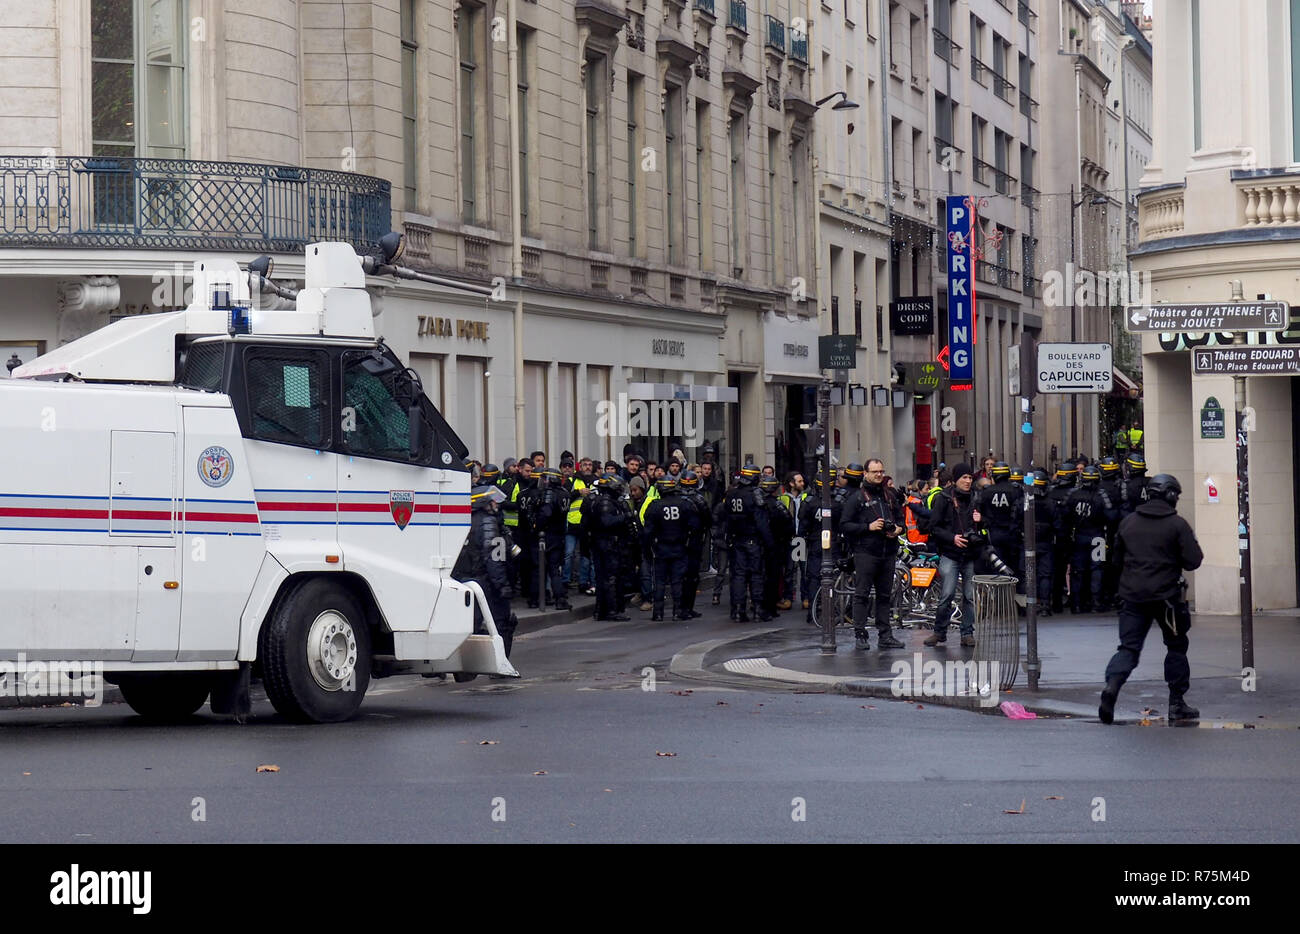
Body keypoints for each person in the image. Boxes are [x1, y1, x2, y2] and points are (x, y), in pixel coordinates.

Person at [1100, 474, 1203, 724]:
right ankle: (1177, 703)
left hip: (1132, 595)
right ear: (1170, 495)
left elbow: (1115, 560)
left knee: (1128, 648)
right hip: (1167, 596)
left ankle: (1112, 686)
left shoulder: (1128, 522)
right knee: (1176, 646)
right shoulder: (1177, 525)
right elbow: (1193, 560)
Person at [839, 458, 906, 650]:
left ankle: (885, 635)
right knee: (862, 594)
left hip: (888, 551)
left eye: (881, 471)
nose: (879, 475)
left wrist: (898, 530)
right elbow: (844, 525)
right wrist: (868, 527)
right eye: (875, 471)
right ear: (866, 474)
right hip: (865, 552)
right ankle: (860, 635)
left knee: (885, 595)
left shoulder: (890, 495)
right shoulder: (857, 498)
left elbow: (901, 519)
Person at [452, 485, 517, 656]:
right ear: (484, 503)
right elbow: (493, 557)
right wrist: (502, 585)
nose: (497, 504)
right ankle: (501, 663)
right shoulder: (488, 522)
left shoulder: (466, 520)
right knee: (502, 622)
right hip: (486, 580)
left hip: (466, 579)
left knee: (470, 622)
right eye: (493, 501)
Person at [924, 463, 981, 647]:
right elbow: (933, 527)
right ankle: (939, 631)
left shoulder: (976, 497)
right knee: (946, 595)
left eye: (970, 478)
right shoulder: (944, 498)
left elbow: (988, 525)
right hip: (950, 553)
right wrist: (952, 538)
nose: (968, 481)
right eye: (964, 477)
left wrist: (982, 521)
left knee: (969, 596)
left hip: (970, 554)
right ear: (956, 479)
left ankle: (967, 633)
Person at [642, 477, 699, 620]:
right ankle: (678, 611)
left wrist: (647, 549)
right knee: (677, 580)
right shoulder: (684, 504)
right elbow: (695, 526)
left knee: (659, 581)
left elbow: (647, 531)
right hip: (679, 547)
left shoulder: (655, 506)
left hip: (660, 548)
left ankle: (658, 613)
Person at [1064, 465, 1117, 614]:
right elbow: (1111, 516)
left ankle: (1077, 603)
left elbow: (1064, 514)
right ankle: (1096, 602)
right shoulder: (1102, 495)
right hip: (1098, 536)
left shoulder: (1073, 494)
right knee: (1097, 569)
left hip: (1079, 535)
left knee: (1077, 570)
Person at [724, 464, 772, 622]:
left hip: (737, 539)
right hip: (753, 540)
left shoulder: (731, 494)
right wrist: (769, 542)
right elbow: (761, 522)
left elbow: (727, 518)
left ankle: (738, 610)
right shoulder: (755, 494)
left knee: (739, 576)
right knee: (756, 575)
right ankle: (758, 610)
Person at [585, 476, 632, 621]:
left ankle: (601, 610)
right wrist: (625, 517)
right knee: (610, 577)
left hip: (600, 543)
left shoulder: (597, 500)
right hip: (607, 544)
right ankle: (611, 611)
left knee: (602, 578)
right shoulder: (605, 502)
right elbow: (606, 522)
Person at [976, 461, 1024, 591]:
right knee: (1015, 568)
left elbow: (980, 512)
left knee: (997, 568)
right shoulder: (1016, 490)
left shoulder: (986, 492)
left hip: (994, 534)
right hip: (1013, 534)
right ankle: (1016, 600)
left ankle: (1000, 599)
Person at [536, 468, 571, 610]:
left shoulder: (550, 494)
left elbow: (546, 514)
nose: (543, 482)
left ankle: (552, 598)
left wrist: (536, 525)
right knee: (556, 568)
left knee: (547, 568)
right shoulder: (565, 493)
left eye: (545, 479)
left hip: (549, 535)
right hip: (560, 534)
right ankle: (560, 598)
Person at [677, 470, 711, 618]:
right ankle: (686, 608)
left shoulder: (674, 497)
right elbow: (708, 519)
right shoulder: (699, 499)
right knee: (691, 576)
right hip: (693, 542)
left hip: (677, 541)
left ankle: (679, 608)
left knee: (678, 575)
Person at [758, 477, 793, 618]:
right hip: (776, 545)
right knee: (772, 577)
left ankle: (758, 607)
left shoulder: (758, 504)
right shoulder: (777, 505)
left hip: (759, 545)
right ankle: (770, 607)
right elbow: (789, 525)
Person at [1048, 464, 1078, 613]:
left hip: (1053, 536)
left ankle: (1056, 603)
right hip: (1070, 534)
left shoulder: (1051, 492)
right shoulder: (1075, 493)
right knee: (1075, 569)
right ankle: (1074, 602)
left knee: (1056, 571)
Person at [1030, 468, 1059, 616]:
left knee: (1028, 575)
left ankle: (1029, 605)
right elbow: (1057, 525)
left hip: (1028, 543)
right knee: (1045, 575)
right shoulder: (1051, 503)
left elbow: (1015, 523)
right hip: (1046, 543)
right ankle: (1045, 605)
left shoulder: (1024, 502)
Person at [1120, 453, 1151, 518]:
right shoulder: (1152, 482)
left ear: (1128, 468)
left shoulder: (1127, 486)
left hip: (1134, 523)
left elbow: (1125, 511)